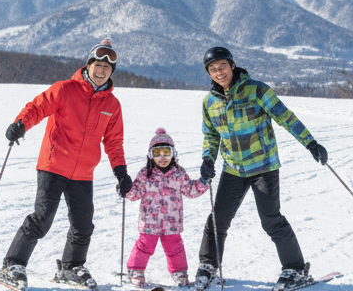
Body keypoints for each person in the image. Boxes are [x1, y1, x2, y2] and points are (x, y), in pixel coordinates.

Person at [0, 38, 131, 291]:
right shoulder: (65, 89)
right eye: (98, 65)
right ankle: (12, 265)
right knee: (42, 218)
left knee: (83, 225)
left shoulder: (112, 105)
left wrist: (121, 171)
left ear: (111, 72)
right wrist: (21, 124)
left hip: (83, 173)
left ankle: (71, 267)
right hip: (53, 164)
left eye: (107, 68)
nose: (101, 71)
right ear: (88, 65)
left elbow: (114, 141)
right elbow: (37, 107)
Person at [194, 47, 330, 291]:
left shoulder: (257, 90)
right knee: (217, 219)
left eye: (222, 66)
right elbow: (211, 136)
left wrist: (310, 143)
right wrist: (207, 160)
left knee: (271, 219)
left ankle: (295, 269)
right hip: (233, 169)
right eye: (212, 69)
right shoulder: (209, 102)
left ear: (232, 65)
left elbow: (285, 117)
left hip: (263, 166)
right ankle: (208, 265)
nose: (218, 72)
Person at [124, 128, 209, 288]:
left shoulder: (178, 173)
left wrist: (204, 181)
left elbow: (190, 190)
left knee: (175, 247)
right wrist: (126, 188)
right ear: (151, 155)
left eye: (166, 152)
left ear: (173, 154)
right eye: (157, 153)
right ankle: (136, 270)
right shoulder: (145, 174)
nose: (162, 157)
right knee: (145, 245)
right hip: (149, 222)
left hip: (172, 222)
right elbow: (135, 193)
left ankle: (179, 272)